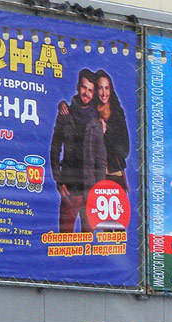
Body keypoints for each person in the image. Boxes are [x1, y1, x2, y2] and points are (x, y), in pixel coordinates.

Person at [49, 69, 106, 232]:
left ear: (93, 93)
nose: (86, 93)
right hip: (69, 192)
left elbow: (101, 161)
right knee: (64, 245)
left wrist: (98, 190)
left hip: (90, 193)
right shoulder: (65, 114)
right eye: (84, 88)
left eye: (90, 90)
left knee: (88, 248)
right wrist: (59, 183)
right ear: (77, 86)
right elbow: (54, 149)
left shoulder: (96, 122)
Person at [92, 69, 130, 192]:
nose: (104, 93)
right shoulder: (89, 111)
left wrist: (106, 132)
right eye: (100, 88)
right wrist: (62, 104)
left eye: (107, 88)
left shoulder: (117, 114)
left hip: (115, 175)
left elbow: (124, 151)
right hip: (94, 175)